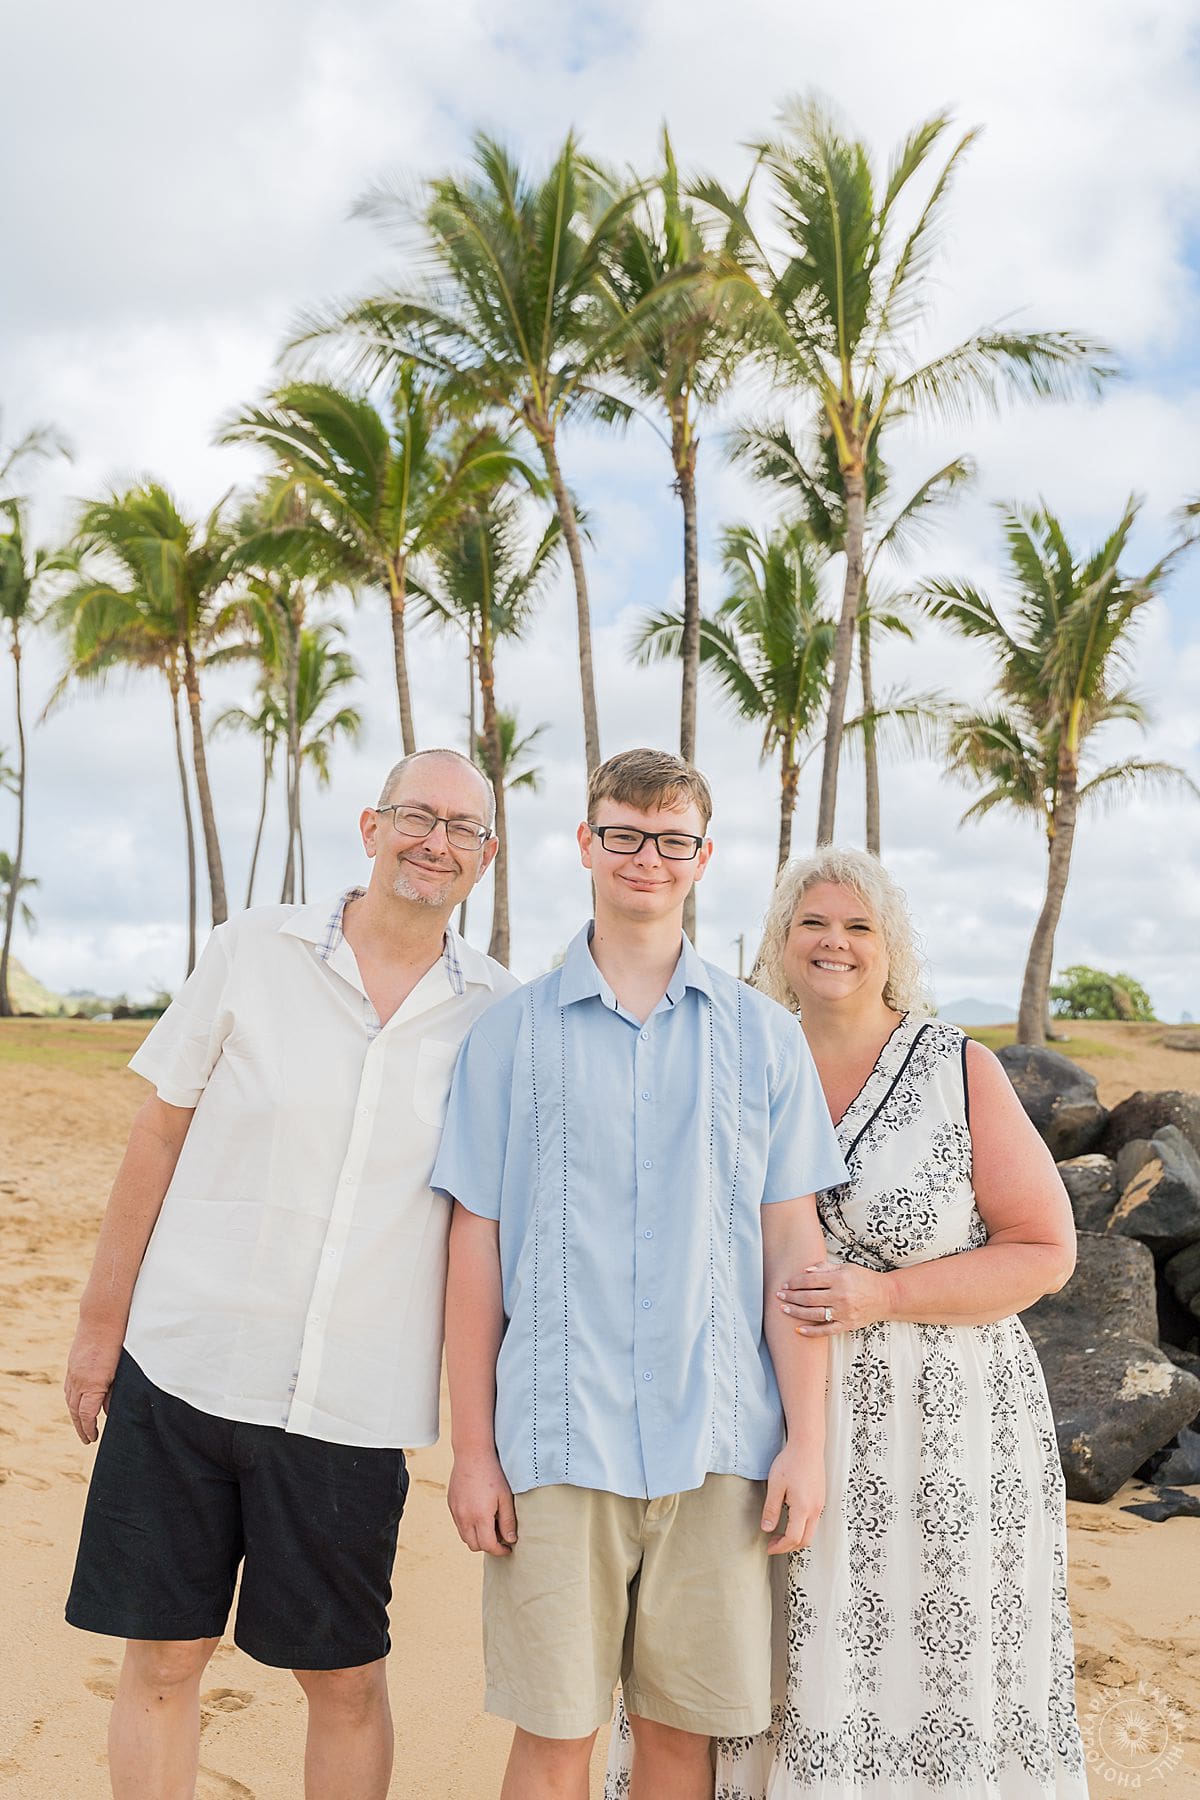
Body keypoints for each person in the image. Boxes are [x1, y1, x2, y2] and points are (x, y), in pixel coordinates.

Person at [63, 749, 517, 1800]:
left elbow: (492, 1225)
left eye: (462, 828)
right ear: (370, 826)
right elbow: (156, 1138)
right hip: (184, 1367)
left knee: (346, 1679)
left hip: (353, 1404)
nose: (435, 841)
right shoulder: (252, 949)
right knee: (165, 1659)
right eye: (416, 816)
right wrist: (99, 1330)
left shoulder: (498, 1012)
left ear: (485, 859)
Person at [606, 844, 1088, 1799]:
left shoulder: (959, 1069)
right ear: (780, 942)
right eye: (813, 923)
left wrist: (885, 1294)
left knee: (925, 1656)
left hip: (941, 1428)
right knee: (753, 1647)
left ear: (890, 945)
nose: (835, 943)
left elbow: (1045, 1250)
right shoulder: (730, 1056)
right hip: (761, 1416)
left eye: (859, 926)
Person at [432, 748, 848, 1800]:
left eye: (671, 840)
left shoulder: (764, 1038)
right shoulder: (507, 1036)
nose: (645, 858)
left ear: (702, 858)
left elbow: (794, 1252)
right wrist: (472, 1454)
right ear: (586, 844)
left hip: (720, 1445)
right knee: (555, 1739)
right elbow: (474, 1250)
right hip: (557, 1444)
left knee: (678, 1742)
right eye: (623, 833)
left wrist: (808, 1440)